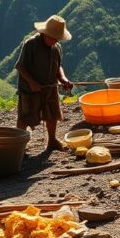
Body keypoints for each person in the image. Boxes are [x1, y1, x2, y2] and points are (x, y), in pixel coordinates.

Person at [14, 15, 74, 151]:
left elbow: (58, 66)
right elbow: (20, 67)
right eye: (52, 38)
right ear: (44, 33)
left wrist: (63, 79)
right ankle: (18, 146)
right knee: (25, 117)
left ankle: (52, 141)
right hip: (30, 89)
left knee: (52, 114)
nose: (54, 41)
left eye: (56, 38)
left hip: (50, 87)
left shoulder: (56, 47)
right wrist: (32, 83)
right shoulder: (31, 45)